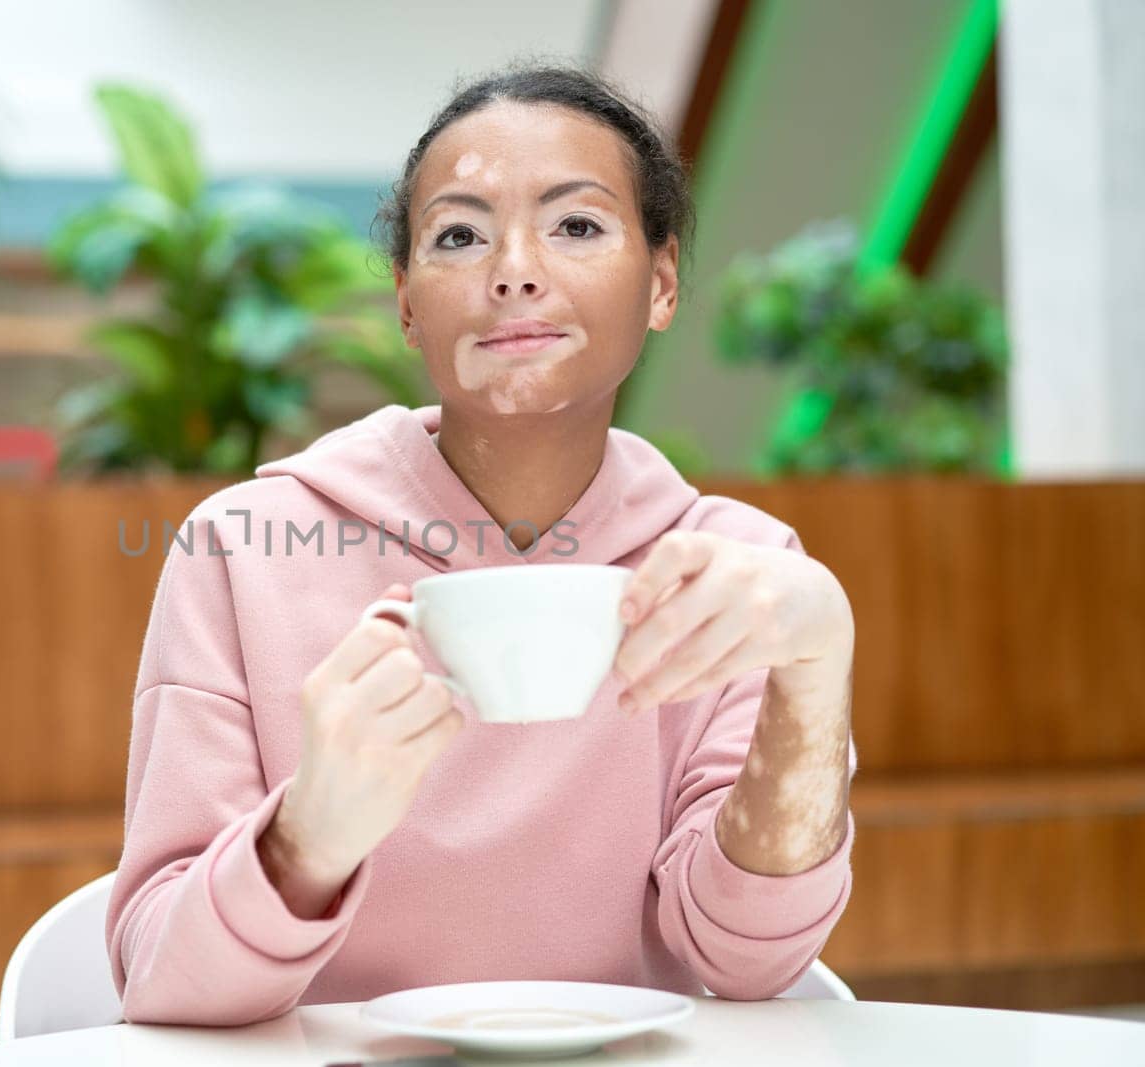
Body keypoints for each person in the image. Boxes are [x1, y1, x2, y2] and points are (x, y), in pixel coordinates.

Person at [105, 60, 857, 1026]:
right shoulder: (241, 550)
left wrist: (816, 667)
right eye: (458, 235)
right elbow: (160, 981)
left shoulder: (733, 576)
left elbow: (749, 961)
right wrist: (304, 838)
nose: (514, 267)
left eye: (576, 224)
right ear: (409, 302)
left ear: (662, 282)